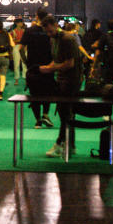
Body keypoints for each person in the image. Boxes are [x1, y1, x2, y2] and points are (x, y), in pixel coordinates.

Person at [44, 19, 82, 157]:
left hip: (72, 80)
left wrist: (51, 69)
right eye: (46, 32)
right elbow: (57, 60)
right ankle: (71, 146)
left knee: (66, 114)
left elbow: (70, 64)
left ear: (56, 26)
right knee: (65, 114)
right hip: (61, 79)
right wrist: (48, 67)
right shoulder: (54, 40)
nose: (49, 34)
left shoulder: (68, 39)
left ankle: (60, 144)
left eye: (50, 31)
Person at [21, 8, 56, 128]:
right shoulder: (49, 31)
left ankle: (38, 120)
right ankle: (46, 114)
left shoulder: (29, 31)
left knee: (34, 94)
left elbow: (20, 48)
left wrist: (25, 62)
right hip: (48, 66)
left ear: (36, 16)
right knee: (48, 92)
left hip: (33, 68)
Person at [9, 18, 27, 85]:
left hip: (23, 47)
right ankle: (16, 80)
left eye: (22, 22)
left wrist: (19, 41)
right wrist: (21, 41)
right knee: (16, 64)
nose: (22, 24)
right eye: (20, 22)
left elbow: (26, 40)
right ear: (17, 23)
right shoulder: (12, 32)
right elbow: (12, 42)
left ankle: (25, 79)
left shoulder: (25, 31)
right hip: (16, 47)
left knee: (24, 64)